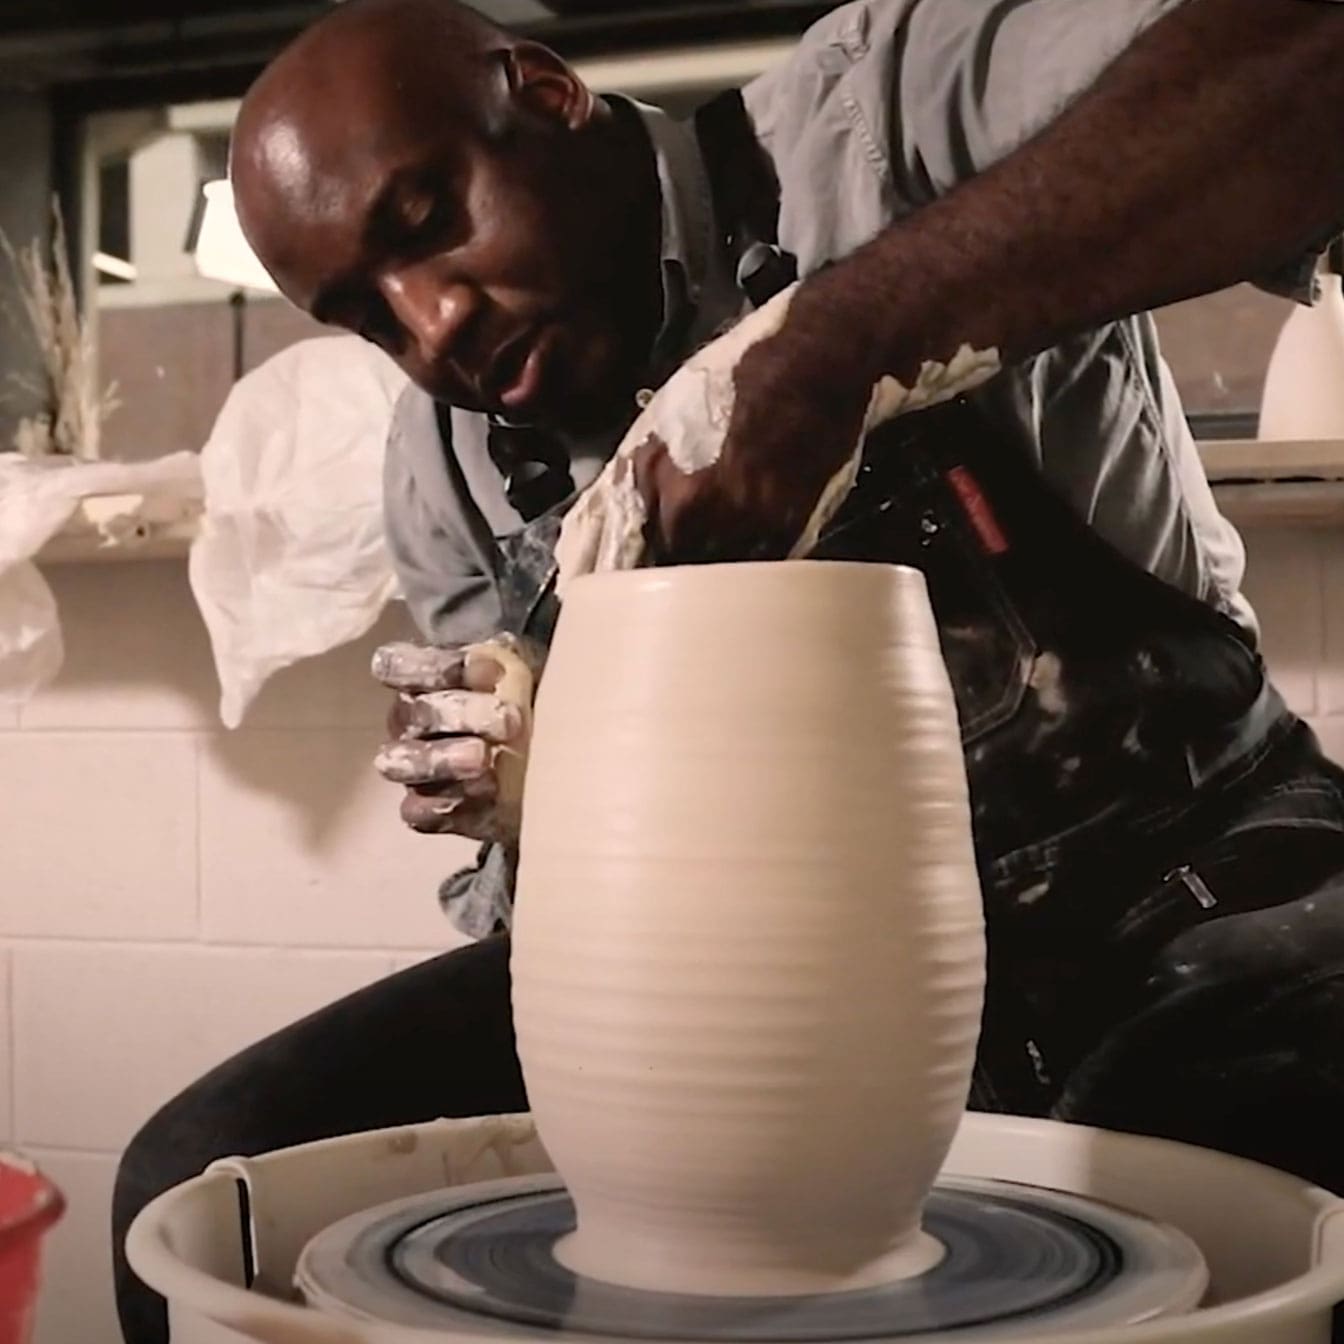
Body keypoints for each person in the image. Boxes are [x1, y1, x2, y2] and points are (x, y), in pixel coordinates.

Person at [113, 0, 1344, 1340]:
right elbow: (579, 927)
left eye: (423, 225)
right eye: (366, 316)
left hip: (1180, 872)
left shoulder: (882, 120)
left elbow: (1305, 60)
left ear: (545, 93)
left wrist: (843, 342)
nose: (433, 326)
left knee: (1167, 1191)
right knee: (197, 1169)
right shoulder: (448, 463)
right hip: (775, 974)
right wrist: (539, 800)